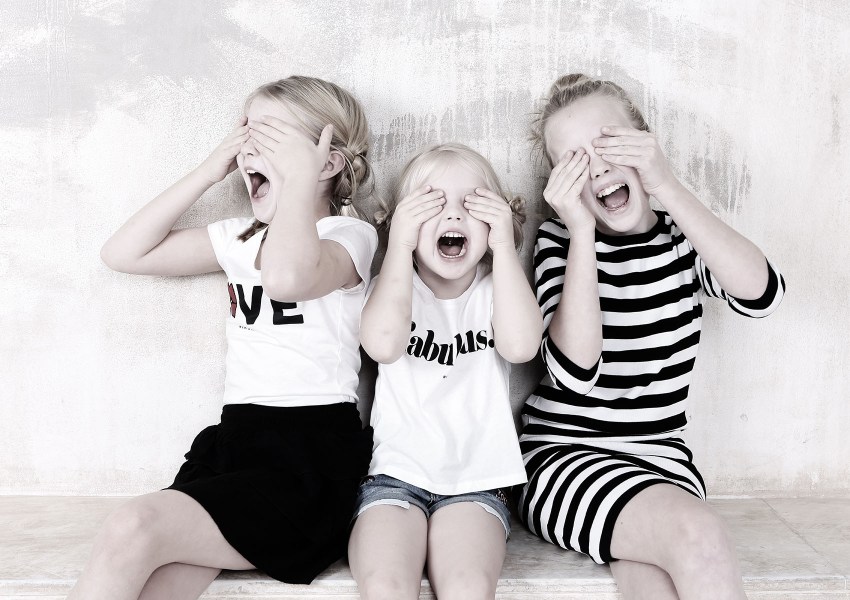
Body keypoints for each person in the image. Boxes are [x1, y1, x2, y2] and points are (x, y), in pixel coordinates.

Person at [68, 75, 378, 600]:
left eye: (270, 137)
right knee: (155, 580)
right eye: (246, 134)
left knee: (134, 525)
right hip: (234, 444)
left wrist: (299, 183)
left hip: (307, 458)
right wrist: (208, 171)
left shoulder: (349, 236)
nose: (248, 149)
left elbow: (287, 278)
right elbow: (123, 253)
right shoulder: (237, 238)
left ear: (327, 164)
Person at [517, 74, 785, 599]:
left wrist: (668, 186)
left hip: (662, 461)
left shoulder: (681, 237)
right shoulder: (560, 241)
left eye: (609, 145)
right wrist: (581, 231)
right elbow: (575, 373)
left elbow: (762, 293)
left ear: (645, 143)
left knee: (658, 580)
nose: (598, 168)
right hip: (564, 455)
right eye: (574, 162)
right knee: (700, 536)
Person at [348, 143, 543, 600]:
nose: (453, 215)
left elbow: (521, 346)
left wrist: (505, 246)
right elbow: (382, 346)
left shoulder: (497, 290)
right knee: (385, 584)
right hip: (394, 478)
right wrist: (398, 246)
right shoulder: (391, 289)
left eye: (472, 204)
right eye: (431, 204)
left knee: (468, 586)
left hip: (476, 484)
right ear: (402, 222)